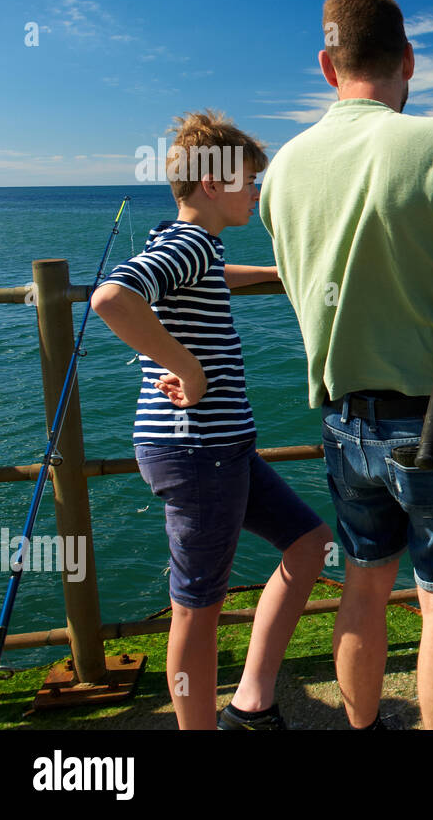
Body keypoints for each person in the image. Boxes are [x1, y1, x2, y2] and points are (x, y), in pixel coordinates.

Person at [258, 0, 433, 730]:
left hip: (345, 421)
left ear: (327, 64)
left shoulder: (284, 170)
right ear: (409, 60)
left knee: (364, 585)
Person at [92, 110, 332, 729]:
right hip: (198, 451)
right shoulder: (192, 243)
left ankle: (251, 703)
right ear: (210, 184)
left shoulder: (189, 244)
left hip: (222, 449)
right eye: (249, 180)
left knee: (309, 544)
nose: (256, 191)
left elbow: (206, 277)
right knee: (197, 610)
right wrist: (189, 368)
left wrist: (278, 274)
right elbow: (112, 298)